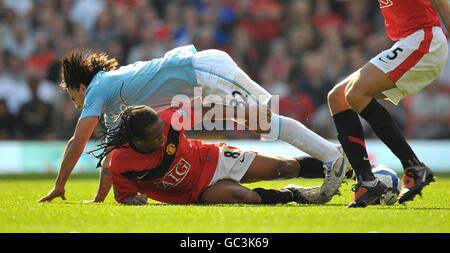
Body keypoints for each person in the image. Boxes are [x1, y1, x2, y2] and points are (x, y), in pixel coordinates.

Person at [38, 45, 349, 203]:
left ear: (80, 86)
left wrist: (60, 184)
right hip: (200, 81)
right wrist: (99, 197)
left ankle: (334, 157)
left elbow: (77, 142)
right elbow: (111, 157)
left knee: (265, 120)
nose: (75, 103)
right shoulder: (112, 102)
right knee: (266, 121)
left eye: (71, 96)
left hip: (203, 71)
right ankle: (340, 160)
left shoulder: (97, 90)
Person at [327, 0, 449, 208]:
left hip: (424, 40)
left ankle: (413, 167)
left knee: (356, 93)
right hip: (407, 42)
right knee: (337, 97)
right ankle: (367, 181)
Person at [100, 104, 336, 205]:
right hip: (197, 192)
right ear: (136, 141)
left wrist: (243, 113)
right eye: (154, 138)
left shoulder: (169, 118)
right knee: (247, 198)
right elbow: (124, 195)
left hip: (213, 159)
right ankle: (292, 195)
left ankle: (345, 168)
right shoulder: (122, 161)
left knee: (285, 168)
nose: (162, 138)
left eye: (161, 133)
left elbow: (206, 111)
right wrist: (132, 199)